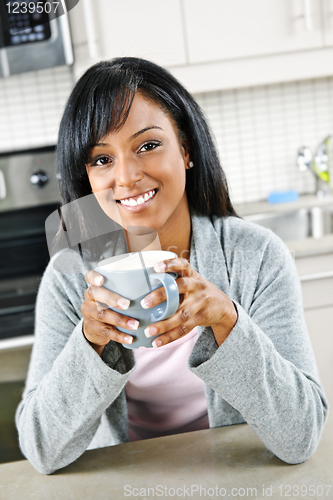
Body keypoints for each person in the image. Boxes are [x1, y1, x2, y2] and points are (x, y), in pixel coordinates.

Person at [16, 57, 328, 475]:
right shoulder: (70, 277)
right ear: (86, 177)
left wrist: (228, 321)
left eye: (147, 145)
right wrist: (90, 341)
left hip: (238, 477)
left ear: (185, 149)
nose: (125, 178)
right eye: (101, 159)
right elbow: (41, 449)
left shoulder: (256, 257)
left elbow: (301, 436)